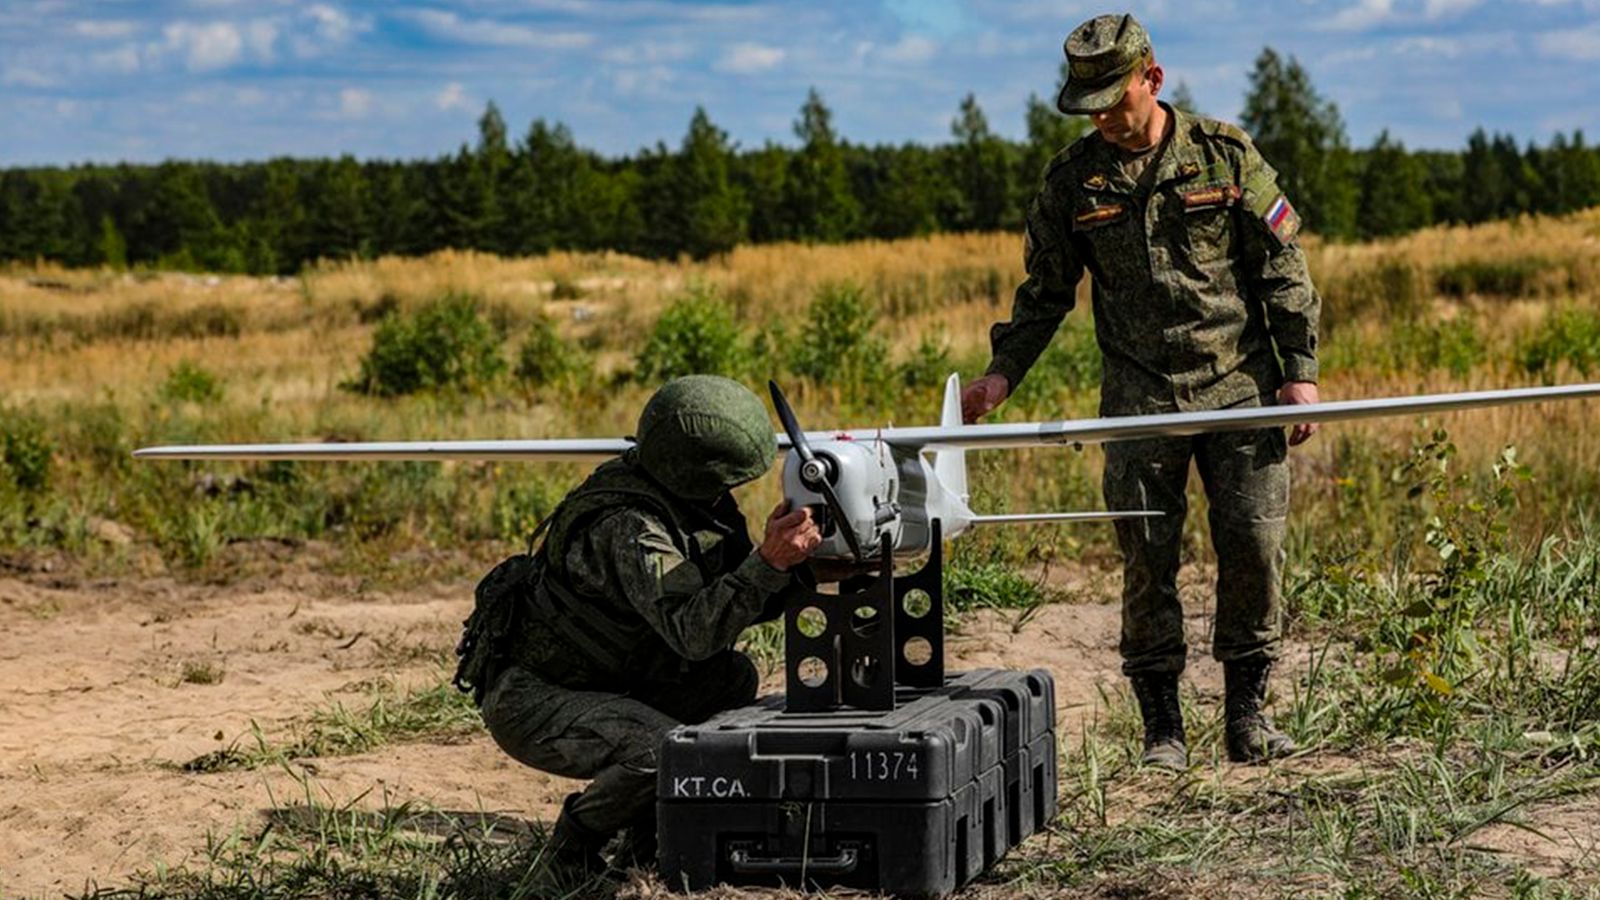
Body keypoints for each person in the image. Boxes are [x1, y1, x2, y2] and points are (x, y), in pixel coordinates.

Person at [961, 13, 1322, 770]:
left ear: (1152, 80)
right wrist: (1002, 375)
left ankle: (1247, 719)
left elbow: (1282, 267)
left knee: (1254, 547)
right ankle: (1163, 730)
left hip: (1239, 393)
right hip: (1140, 401)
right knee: (1146, 560)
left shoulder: (1225, 155)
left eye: (1112, 101)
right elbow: (1044, 293)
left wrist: (1300, 372)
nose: (1102, 119)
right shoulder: (1073, 181)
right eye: (1087, 106)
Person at [453, 375, 820, 883]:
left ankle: (651, 834)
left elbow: (732, 600)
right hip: (534, 698)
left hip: (604, 677)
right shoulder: (631, 527)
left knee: (730, 679)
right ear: (696, 471)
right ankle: (570, 848)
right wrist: (767, 564)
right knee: (659, 750)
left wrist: (798, 569)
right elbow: (694, 632)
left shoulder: (684, 499)